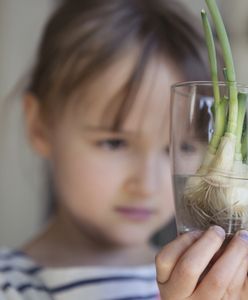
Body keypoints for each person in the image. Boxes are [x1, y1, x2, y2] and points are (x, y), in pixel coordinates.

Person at [1, 0, 247, 299]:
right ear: (39, 126)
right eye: (114, 143)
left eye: (178, 147)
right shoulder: (10, 286)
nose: (146, 184)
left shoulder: (217, 282)